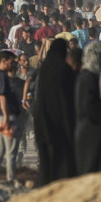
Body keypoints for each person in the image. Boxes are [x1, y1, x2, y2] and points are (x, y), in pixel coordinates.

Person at [32, 38, 78, 185]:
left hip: (42, 118)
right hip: (61, 118)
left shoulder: (44, 68)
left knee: (46, 158)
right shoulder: (65, 69)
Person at [74, 40, 101, 175]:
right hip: (92, 129)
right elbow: (88, 104)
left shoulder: (93, 75)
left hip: (94, 128)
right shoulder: (88, 77)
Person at [0, 49, 22, 182]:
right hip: (7, 117)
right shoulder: (2, 76)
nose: (13, 64)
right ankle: (11, 178)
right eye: (11, 62)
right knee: (11, 151)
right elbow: (2, 97)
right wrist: (6, 117)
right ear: (3, 61)